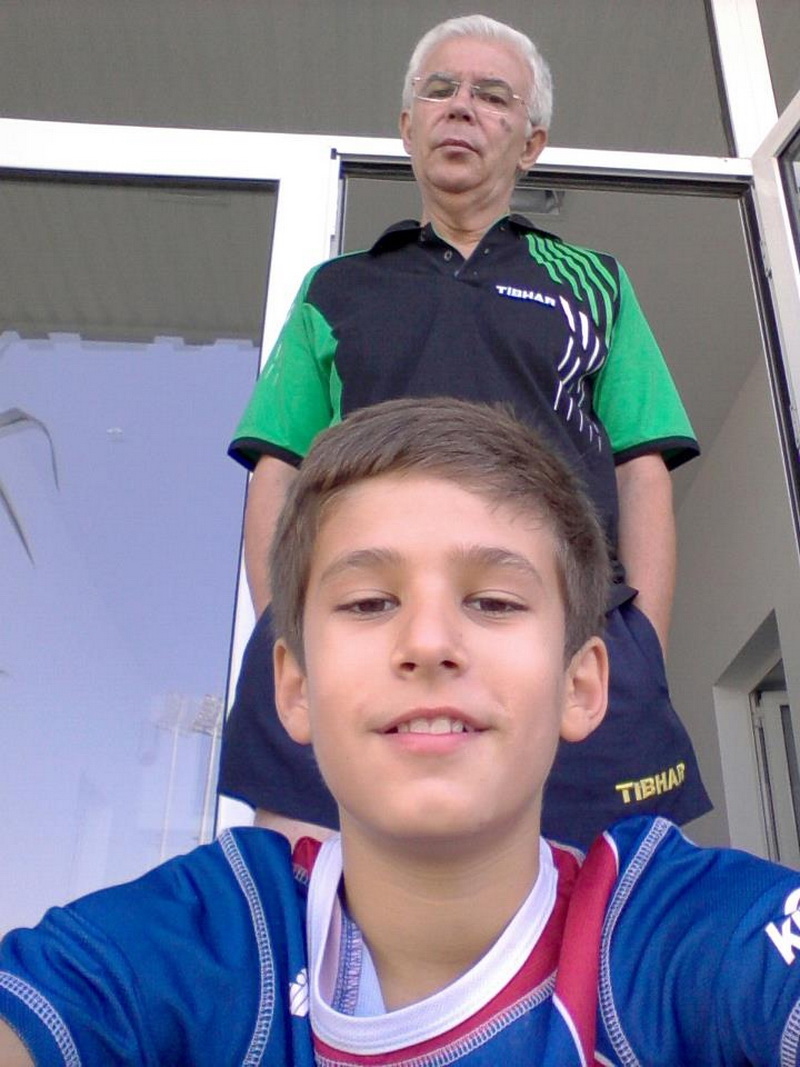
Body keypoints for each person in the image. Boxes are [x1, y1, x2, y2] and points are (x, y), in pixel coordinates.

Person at [1, 397, 798, 1066]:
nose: (427, 641)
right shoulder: (212, 938)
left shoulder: (668, 935)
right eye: (369, 602)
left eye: (494, 601)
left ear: (581, 685)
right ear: (295, 687)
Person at [219, 13, 710, 848]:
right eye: (439, 89)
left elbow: (642, 469)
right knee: (305, 889)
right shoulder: (334, 289)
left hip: (564, 635)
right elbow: (278, 471)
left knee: (613, 894)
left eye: (492, 95)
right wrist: (296, 630)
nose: (461, 106)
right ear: (407, 126)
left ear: (531, 142)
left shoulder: (596, 284)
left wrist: (644, 647)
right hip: (366, 639)